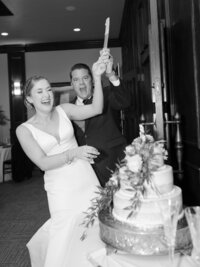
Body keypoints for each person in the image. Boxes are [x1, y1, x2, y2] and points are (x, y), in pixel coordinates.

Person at [15, 50, 109, 267]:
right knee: (65, 229)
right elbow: (43, 162)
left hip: (84, 178)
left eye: (48, 89)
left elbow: (96, 108)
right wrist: (74, 153)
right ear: (29, 99)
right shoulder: (24, 130)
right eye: (39, 92)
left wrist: (96, 76)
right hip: (60, 186)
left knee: (93, 224)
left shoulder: (64, 110)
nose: (47, 95)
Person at [70, 51, 131, 187]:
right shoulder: (68, 108)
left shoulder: (107, 94)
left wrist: (110, 73)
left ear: (92, 79)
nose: (81, 83)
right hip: (84, 169)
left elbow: (125, 102)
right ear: (72, 83)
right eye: (76, 80)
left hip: (113, 161)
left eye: (85, 78)